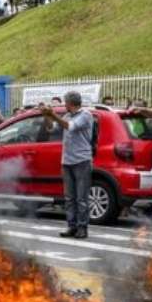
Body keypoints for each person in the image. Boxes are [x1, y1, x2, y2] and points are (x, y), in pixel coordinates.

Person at [40, 92, 94, 239]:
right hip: (67, 161)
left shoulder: (85, 115)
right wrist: (46, 115)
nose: (64, 105)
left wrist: (53, 113)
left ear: (71, 103)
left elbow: (70, 127)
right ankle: (72, 226)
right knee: (69, 198)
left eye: (65, 102)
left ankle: (82, 227)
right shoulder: (67, 115)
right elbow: (51, 129)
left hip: (81, 160)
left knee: (81, 198)